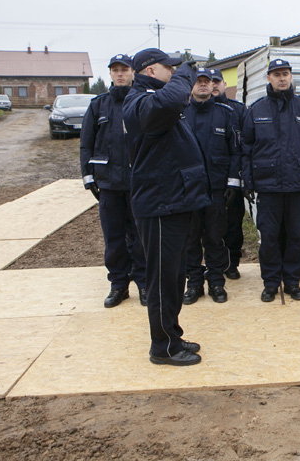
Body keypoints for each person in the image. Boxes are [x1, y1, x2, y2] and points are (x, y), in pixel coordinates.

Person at [123, 48, 210, 366]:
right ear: (149, 71)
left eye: (176, 69)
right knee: (162, 280)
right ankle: (162, 347)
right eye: (168, 68)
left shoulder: (154, 101)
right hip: (159, 204)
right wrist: (186, 72)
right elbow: (172, 100)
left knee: (173, 278)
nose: (174, 72)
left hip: (173, 201)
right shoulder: (141, 102)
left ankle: (172, 335)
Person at [242, 59, 300, 302]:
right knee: (269, 237)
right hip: (268, 186)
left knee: (295, 236)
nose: (282, 78)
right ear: (268, 78)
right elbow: (246, 149)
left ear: (291, 77)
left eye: (285, 74)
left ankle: (292, 282)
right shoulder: (256, 110)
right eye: (277, 74)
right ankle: (270, 283)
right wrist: (247, 181)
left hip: (298, 184)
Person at [80, 54, 146, 308]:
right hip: (108, 185)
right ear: (110, 74)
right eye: (115, 70)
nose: (120, 74)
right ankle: (118, 285)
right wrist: (88, 177)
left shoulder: (142, 101)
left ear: (133, 73)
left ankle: (144, 284)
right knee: (114, 239)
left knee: (141, 238)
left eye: (124, 70)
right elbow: (86, 143)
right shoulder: (99, 105)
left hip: (138, 183)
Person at [182, 67, 242, 304]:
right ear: (192, 86)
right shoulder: (180, 114)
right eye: (199, 81)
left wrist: (232, 182)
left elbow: (235, 151)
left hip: (216, 189)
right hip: (188, 189)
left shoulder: (225, 114)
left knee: (216, 238)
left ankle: (216, 282)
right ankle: (194, 284)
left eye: (207, 81)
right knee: (190, 239)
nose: (203, 85)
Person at [211, 68, 246, 280]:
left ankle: (232, 263)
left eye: (217, 81)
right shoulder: (190, 110)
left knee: (233, 224)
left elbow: (245, 146)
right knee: (207, 228)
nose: (213, 85)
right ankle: (212, 265)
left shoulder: (238, 110)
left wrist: (239, 179)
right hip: (207, 180)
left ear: (224, 84)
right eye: (209, 81)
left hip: (232, 178)